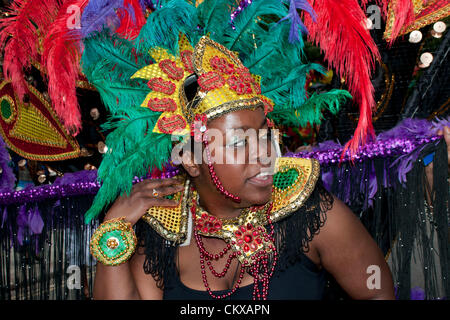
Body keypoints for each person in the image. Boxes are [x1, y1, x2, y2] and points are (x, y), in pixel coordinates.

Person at [82, 0, 395, 300]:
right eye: (238, 142)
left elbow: (378, 291)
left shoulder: (309, 213)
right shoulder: (165, 229)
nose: (265, 154)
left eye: (263, 135)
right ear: (191, 159)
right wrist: (113, 230)